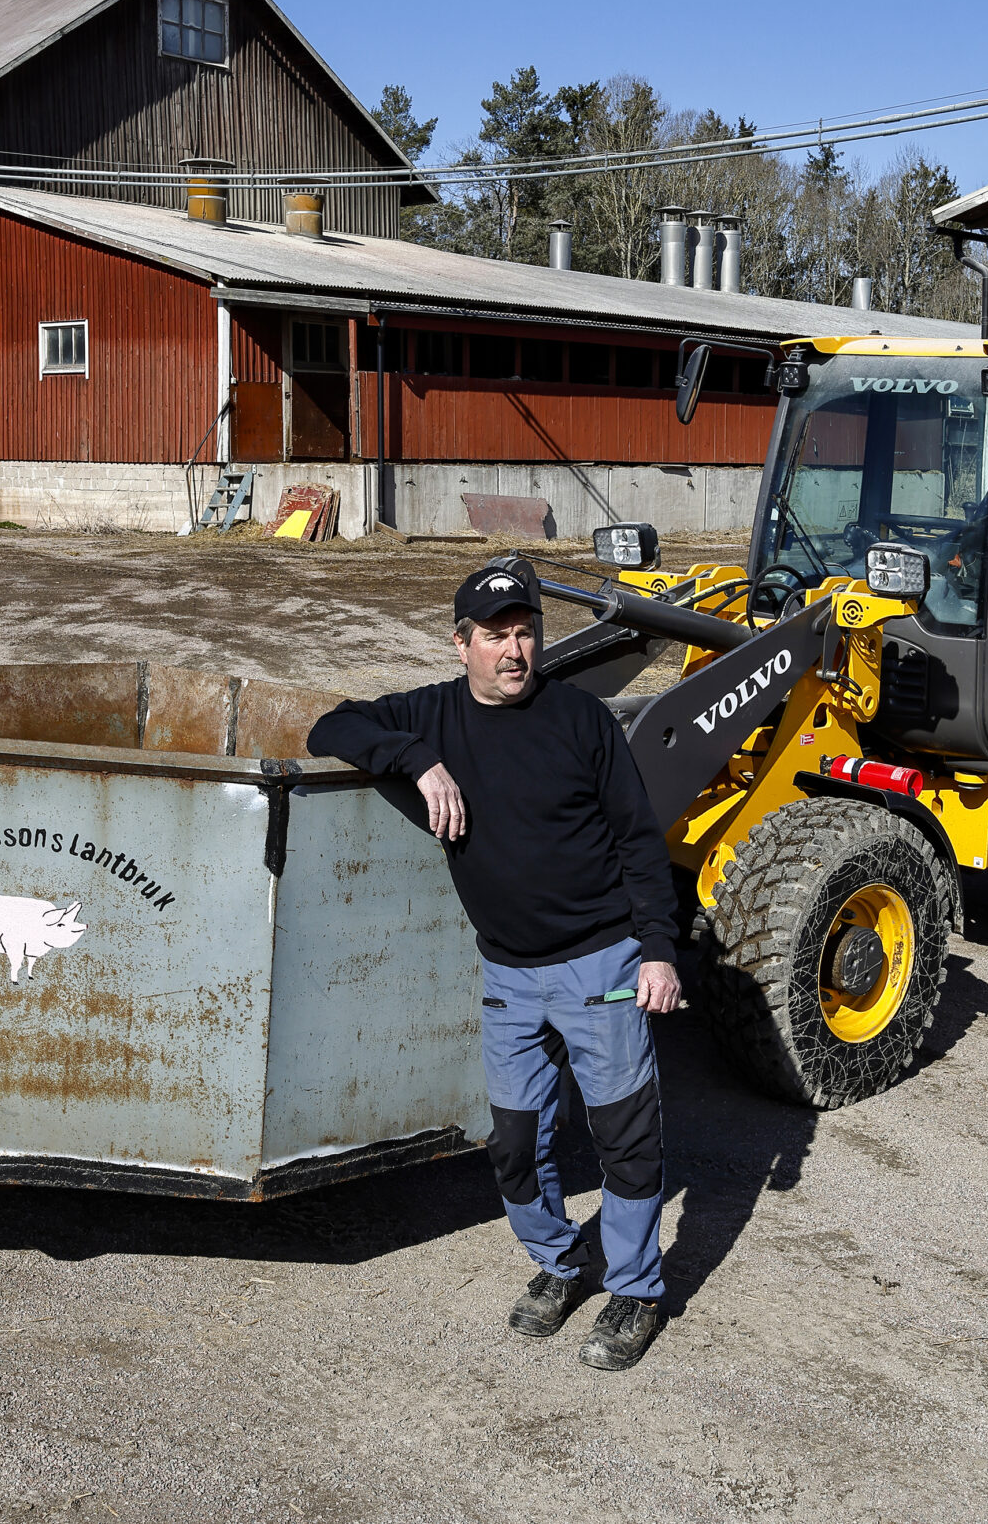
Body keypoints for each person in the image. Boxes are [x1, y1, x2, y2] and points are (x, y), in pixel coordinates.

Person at [307, 562, 683, 1371]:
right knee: (515, 1141)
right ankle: (559, 1262)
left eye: (525, 632)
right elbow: (328, 727)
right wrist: (414, 757)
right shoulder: (433, 716)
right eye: (495, 635)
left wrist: (658, 950)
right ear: (462, 643)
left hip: (601, 965)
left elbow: (638, 843)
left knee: (626, 1137)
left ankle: (636, 1290)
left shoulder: (581, 720)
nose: (514, 651)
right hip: (510, 976)